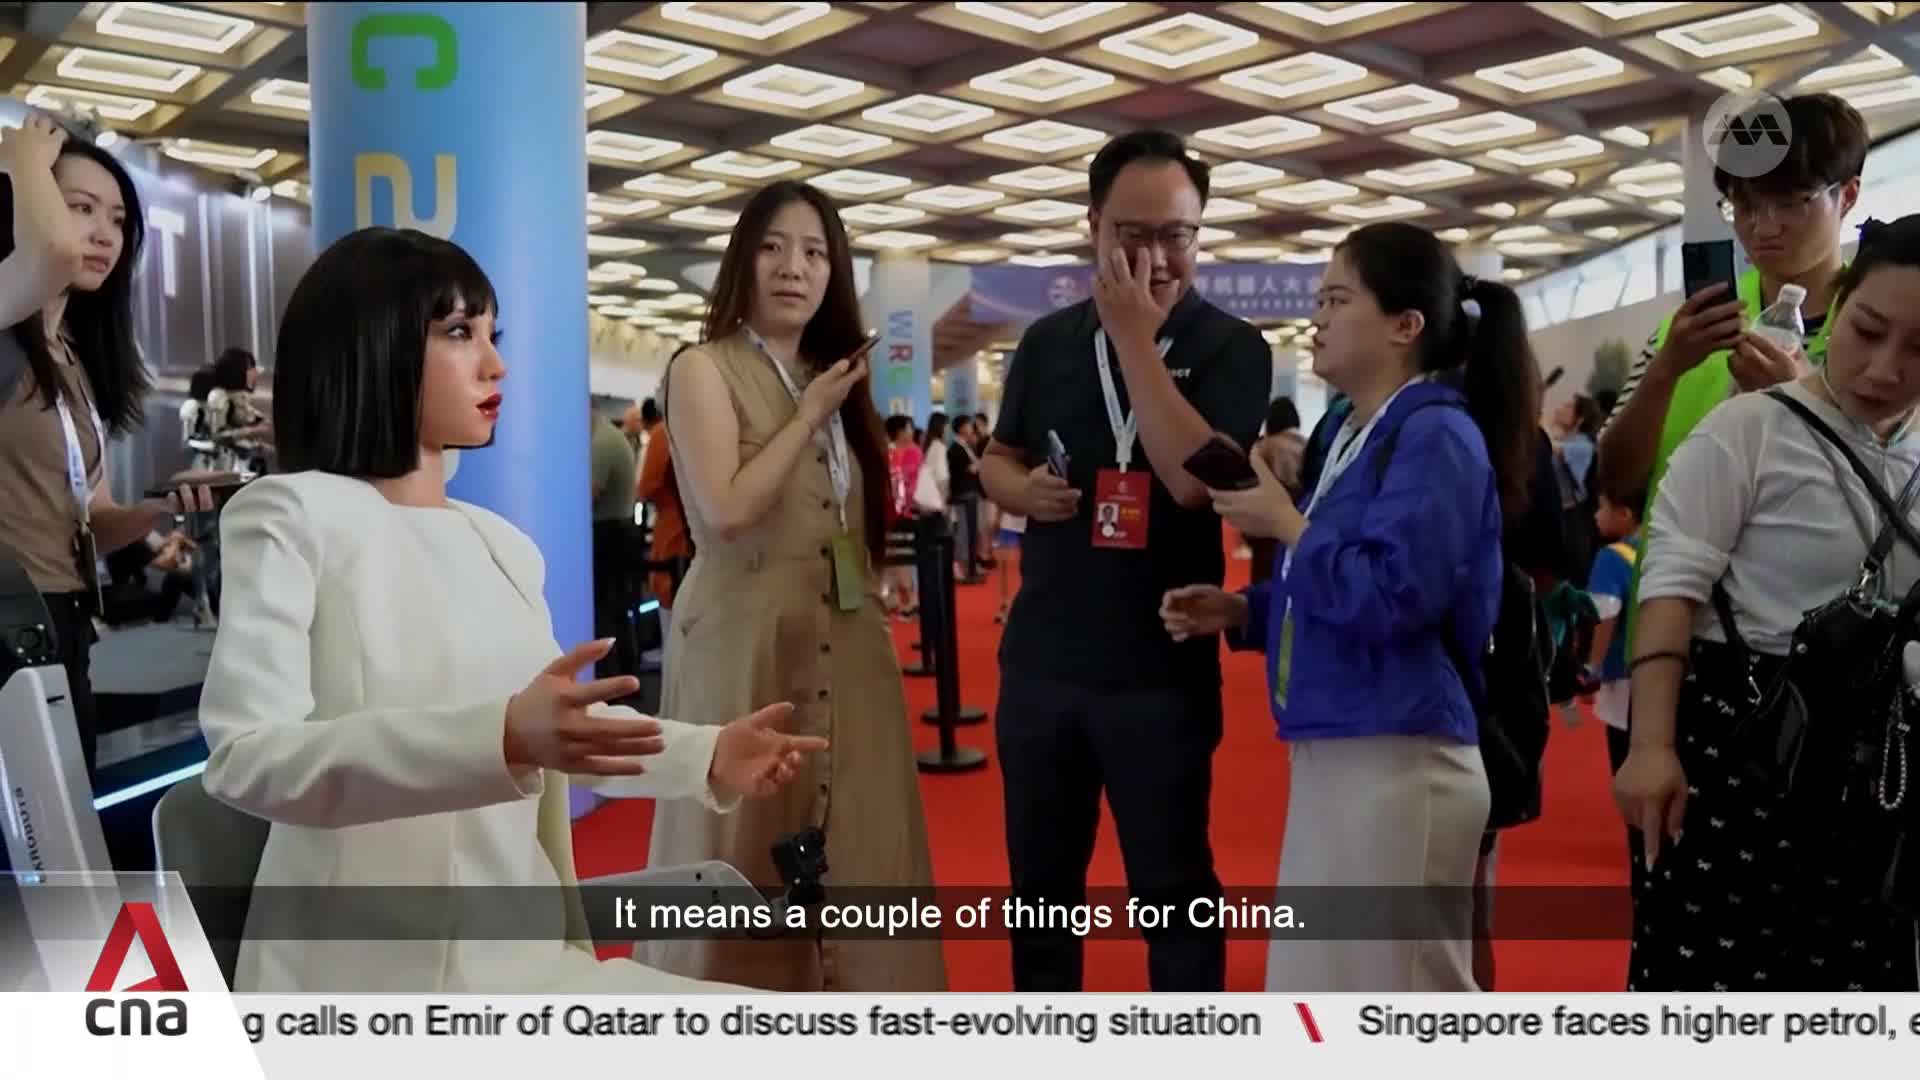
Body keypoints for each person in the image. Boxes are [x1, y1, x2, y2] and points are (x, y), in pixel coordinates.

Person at [196, 226, 826, 993]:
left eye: (493, 335)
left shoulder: (501, 544)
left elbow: (560, 728)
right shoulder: (289, 516)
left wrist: (707, 753)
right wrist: (497, 737)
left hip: (521, 963)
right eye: (460, 333)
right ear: (372, 346)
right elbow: (248, 758)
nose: (496, 364)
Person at [1161, 221, 1541, 992]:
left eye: (1338, 299)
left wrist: (1286, 525)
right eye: (1319, 300)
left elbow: (1396, 597)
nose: (1319, 318)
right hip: (1343, 741)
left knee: (1401, 994)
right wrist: (1247, 612)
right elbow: (1335, 590)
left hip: (1401, 752)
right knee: (1323, 989)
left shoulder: (1437, 435)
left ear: (1407, 326)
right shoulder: (1350, 431)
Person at [980, 129, 1271, 992]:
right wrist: (1017, 491)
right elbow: (999, 455)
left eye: (1175, 235)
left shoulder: (1233, 348)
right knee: (1041, 895)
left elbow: (1190, 483)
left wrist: (1137, 340)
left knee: (1174, 894)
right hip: (1042, 665)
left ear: (1200, 234)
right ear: (1092, 229)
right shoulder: (1047, 343)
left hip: (1161, 671)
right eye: (1131, 234)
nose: (1154, 255)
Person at [642, 180, 946, 992]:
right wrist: (810, 414)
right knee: (742, 841)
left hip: (847, 636)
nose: (794, 268)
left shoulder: (830, 375)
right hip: (746, 639)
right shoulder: (703, 368)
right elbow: (729, 510)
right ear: (745, 260)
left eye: (815, 252)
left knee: (865, 841)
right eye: (774, 247)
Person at [1614, 214, 1920, 991]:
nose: (1882, 368)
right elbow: (1672, 584)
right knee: (1715, 986)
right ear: (1840, 304)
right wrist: (1651, 746)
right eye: (1868, 329)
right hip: (1743, 750)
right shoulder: (1746, 430)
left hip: (1886, 766)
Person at [1596, 93, 1869, 642]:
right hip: (1679, 639)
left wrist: (1802, 404)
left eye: (1791, 202)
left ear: (1848, 196)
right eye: (1744, 205)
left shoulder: (1888, 323)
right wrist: (1664, 371)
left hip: (1829, 646)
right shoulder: (1690, 327)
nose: (1763, 227)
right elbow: (1615, 480)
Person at [0, 112, 210, 786]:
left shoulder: (72, 360)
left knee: (67, 856)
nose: (102, 235)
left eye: (118, 220)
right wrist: (22, 152)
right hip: (4, 621)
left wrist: (158, 509)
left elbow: (91, 514)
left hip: (62, 623)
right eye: (79, 208)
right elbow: (54, 253)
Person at [1247, 396, 1304, 586]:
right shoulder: (1309, 445)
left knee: (1265, 590)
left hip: (1267, 533)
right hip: (1302, 529)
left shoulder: (1263, 448)